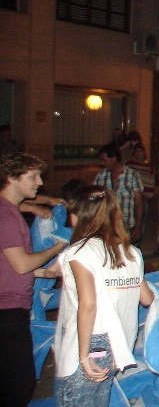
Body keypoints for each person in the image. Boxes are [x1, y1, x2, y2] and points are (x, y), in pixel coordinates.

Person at [52, 186, 154, 406]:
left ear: (78, 216)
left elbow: (88, 305)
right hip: (119, 341)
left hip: (89, 340)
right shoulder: (131, 252)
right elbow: (147, 298)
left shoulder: (80, 252)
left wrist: (83, 356)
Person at [0, 152, 68, 406]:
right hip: (7, 309)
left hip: (9, 306)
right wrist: (57, 248)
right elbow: (21, 264)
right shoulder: (6, 217)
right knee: (20, 383)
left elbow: (8, 263)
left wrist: (43, 273)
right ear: (11, 178)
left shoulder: (8, 210)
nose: (39, 182)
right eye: (33, 176)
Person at [94, 144, 144, 244]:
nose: (102, 163)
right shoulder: (101, 176)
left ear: (114, 158)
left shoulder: (132, 175)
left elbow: (139, 203)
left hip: (126, 225)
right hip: (106, 225)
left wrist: (138, 227)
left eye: (105, 160)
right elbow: (95, 201)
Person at [126, 144, 156, 237]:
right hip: (130, 197)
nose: (138, 153)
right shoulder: (129, 165)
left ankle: (138, 238)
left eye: (140, 151)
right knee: (129, 218)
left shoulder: (149, 167)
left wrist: (149, 194)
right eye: (136, 151)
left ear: (144, 153)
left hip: (143, 197)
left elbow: (151, 181)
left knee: (141, 218)